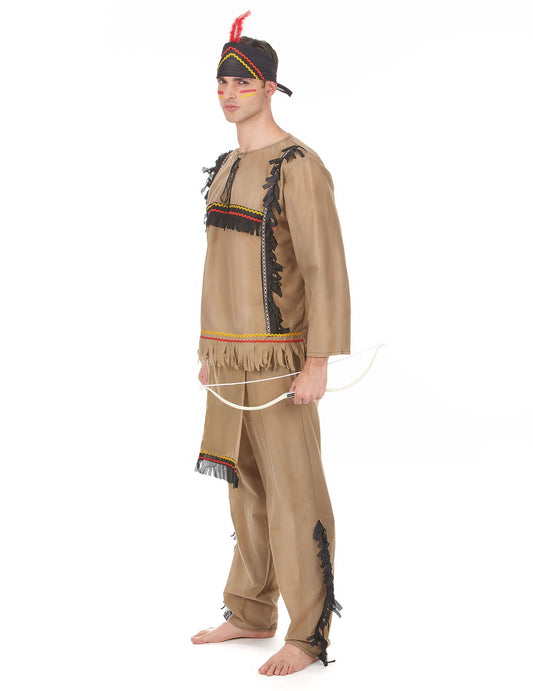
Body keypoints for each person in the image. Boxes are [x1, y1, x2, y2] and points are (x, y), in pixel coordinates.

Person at [191, 11, 351, 677]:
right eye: (222, 81)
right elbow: (218, 265)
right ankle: (251, 609)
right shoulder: (228, 164)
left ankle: (307, 634)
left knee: (293, 492)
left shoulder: (297, 165)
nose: (229, 93)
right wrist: (209, 350)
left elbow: (323, 267)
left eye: (243, 81)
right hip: (229, 356)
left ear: (269, 87)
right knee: (245, 486)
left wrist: (317, 359)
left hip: (280, 357)